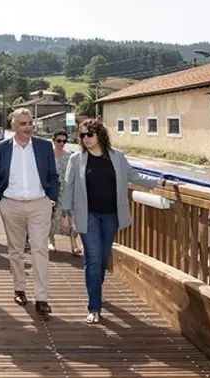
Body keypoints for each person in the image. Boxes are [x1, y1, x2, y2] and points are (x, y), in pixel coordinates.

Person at [60, 118, 177, 324]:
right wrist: (65, 215)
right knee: (93, 258)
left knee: (103, 258)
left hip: (111, 215)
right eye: (82, 136)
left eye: (89, 134)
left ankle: (96, 285)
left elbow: (134, 176)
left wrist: (160, 181)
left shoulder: (117, 157)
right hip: (87, 215)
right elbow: (68, 187)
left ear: (100, 135)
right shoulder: (76, 159)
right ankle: (94, 307)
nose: (85, 139)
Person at [0, 108, 59, 317]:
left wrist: (51, 199)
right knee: (16, 250)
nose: (28, 127)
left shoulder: (44, 147)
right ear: (13, 126)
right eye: (23, 124)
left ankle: (42, 298)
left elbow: (52, 175)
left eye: (30, 123)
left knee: (39, 249)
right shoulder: (0, 149)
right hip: (11, 204)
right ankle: (19, 288)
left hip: (40, 204)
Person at [49, 130, 81, 255]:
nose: (61, 143)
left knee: (71, 215)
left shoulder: (70, 155)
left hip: (67, 189)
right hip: (52, 190)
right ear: (54, 140)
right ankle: (51, 240)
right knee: (51, 216)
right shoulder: (49, 154)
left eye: (64, 141)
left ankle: (74, 244)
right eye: (59, 141)